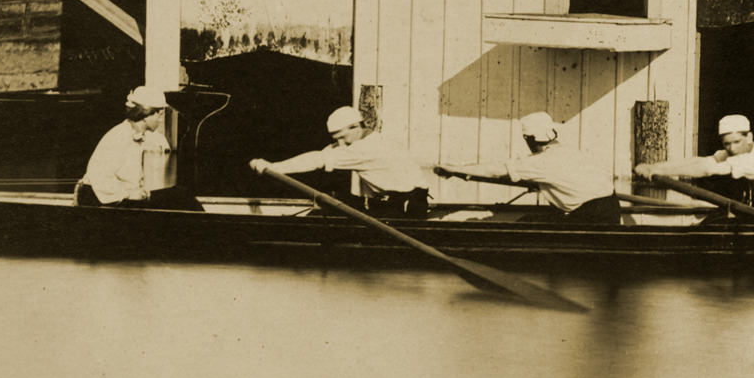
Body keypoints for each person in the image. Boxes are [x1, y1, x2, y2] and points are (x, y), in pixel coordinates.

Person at [436, 111, 622, 226]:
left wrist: (454, 169)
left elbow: (495, 170)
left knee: (527, 223)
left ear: (529, 139)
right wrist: (465, 175)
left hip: (591, 218)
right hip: (611, 209)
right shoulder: (569, 151)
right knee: (536, 219)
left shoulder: (541, 162)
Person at [637, 114, 754, 224]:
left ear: (749, 137)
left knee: (724, 222)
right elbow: (700, 162)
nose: (732, 148)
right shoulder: (738, 152)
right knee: (715, 221)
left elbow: (707, 170)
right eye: (727, 144)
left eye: (736, 142)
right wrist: (654, 167)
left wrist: (658, 172)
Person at [250, 106, 435, 218]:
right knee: (333, 200)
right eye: (336, 139)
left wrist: (273, 167)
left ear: (356, 127)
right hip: (405, 202)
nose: (340, 143)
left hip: (405, 208)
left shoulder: (365, 149)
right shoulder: (374, 139)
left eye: (342, 137)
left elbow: (317, 159)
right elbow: (326, 153)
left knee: (330, 208)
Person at [76, 86, 196, 209]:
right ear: (146, 114)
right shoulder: (119, 136)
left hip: (120, 197)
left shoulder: (144, 136)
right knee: (182, 196)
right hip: (100, 200)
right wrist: (130, 194)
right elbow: (98, 177)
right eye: (159, 115)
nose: (161, 120)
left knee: (181, 194)